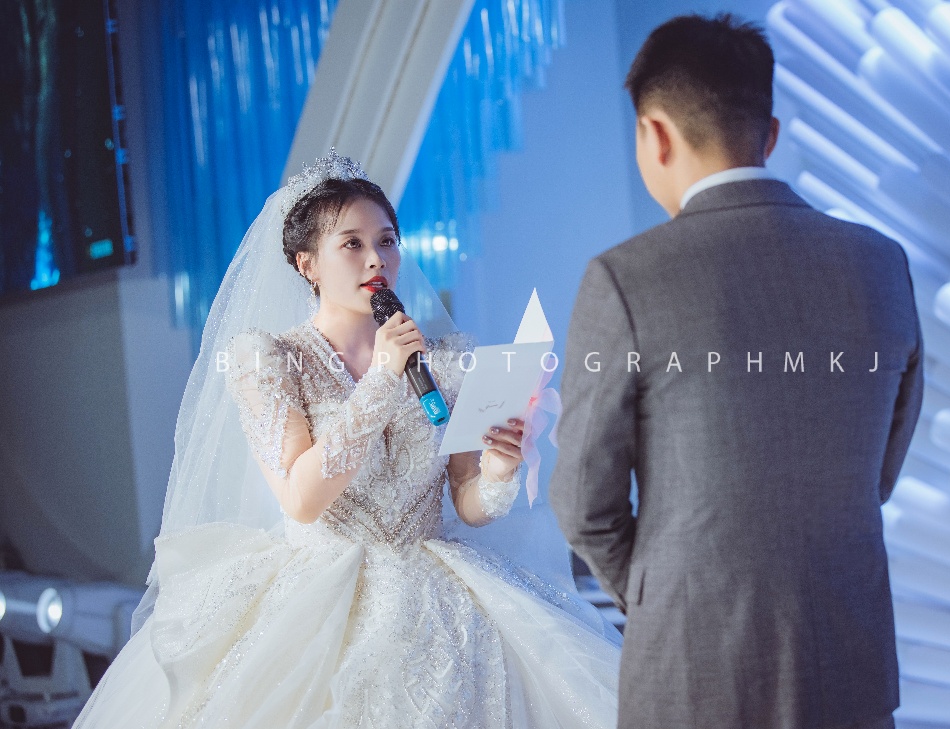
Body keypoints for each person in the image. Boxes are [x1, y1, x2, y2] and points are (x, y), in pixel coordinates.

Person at [73, 150, 622, 728]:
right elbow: (301, 499)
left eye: (387, 241)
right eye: (352, 244)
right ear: (306, 264)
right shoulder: (269, 361)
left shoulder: (443, 361)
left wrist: (498, 471)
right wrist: (382, 379)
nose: (376, 258)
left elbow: (466, 502)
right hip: (320, 593)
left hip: (439, 582)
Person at [549, 13, 923, 729]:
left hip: (695, 678)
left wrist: (666, 598)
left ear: (655, 134)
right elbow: (878, 471)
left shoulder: (625, 278)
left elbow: (583, 503)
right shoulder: (882, 264)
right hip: (849, 667)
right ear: (769, 134)